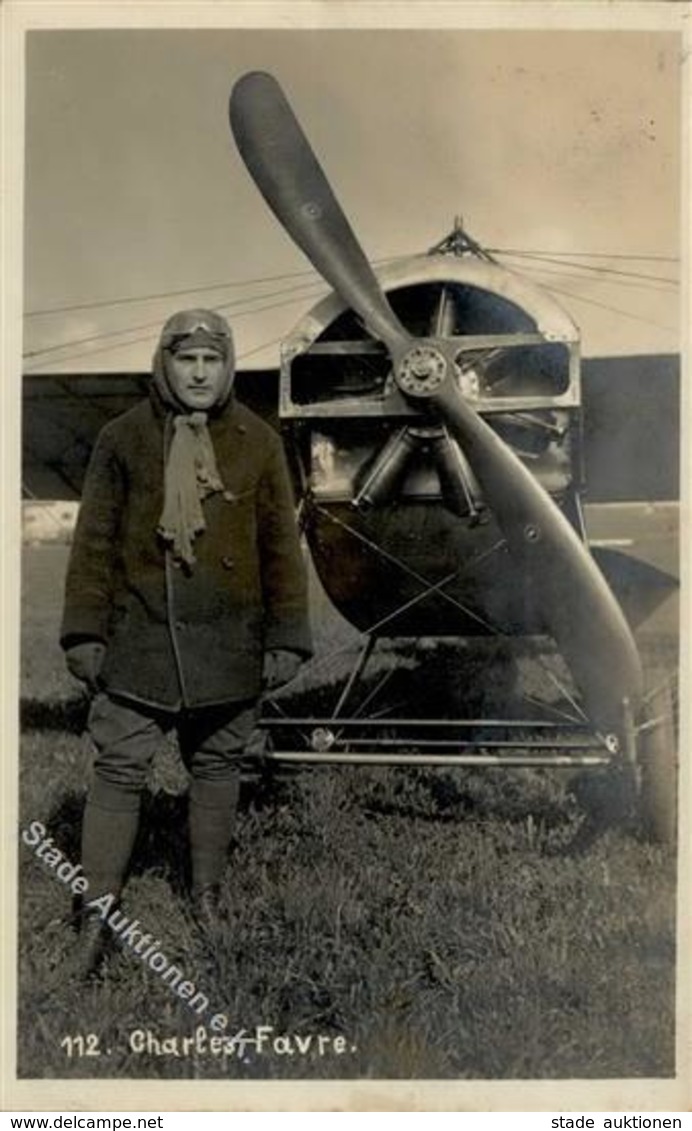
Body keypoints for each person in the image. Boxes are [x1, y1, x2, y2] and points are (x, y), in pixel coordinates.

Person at [60, 308, 312, 973]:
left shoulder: (257, 441)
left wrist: (286, 636)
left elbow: (281, 547)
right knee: (117, 768)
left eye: (212, 360)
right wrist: (85, 631)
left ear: (228, 366)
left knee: (217, 767)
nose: (199, 373)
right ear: (164, 364)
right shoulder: (122, 438)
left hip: (229, 641)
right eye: (186, 359)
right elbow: (93, 544)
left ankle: (207, 897)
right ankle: (95, 921)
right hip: (139, 637)